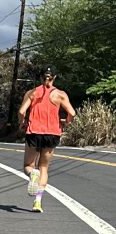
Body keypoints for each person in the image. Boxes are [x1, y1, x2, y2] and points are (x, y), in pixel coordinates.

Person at [18, 67, 75, 212]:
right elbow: (72, 113)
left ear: (40, 77)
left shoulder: (32, 93)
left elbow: (21, 111)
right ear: (54, 77)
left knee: (28, 165)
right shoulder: (60, 94)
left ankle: (32, 174)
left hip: (34, 132)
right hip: (52, 134)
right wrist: (66, 122)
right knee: (44, 168)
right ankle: (38, 202)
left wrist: (22, 123)